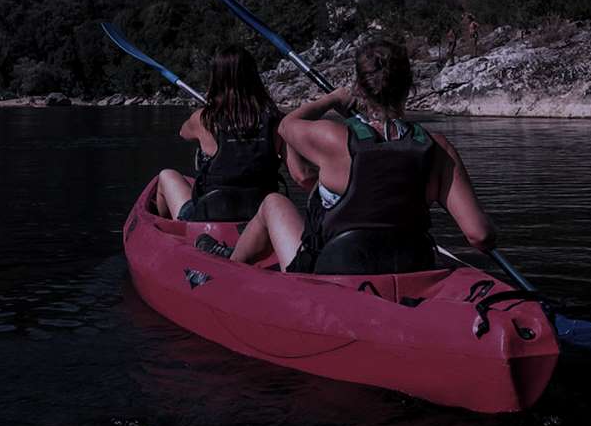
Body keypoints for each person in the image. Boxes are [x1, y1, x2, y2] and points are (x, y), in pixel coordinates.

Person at [209, 40, 495, 274]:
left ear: (359, 87)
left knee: (273, 203)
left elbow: (285, 126)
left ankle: (232, 269)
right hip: (411, 264)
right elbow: (480, 236)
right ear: (410, 86)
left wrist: (331, 99)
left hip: (335, 267)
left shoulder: (333, 139)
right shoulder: (438, 148)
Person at [156, 47, 287, 222]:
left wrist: (209, 108)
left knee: (166, 175)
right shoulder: (277, 120)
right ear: (254, 77)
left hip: (210, 215)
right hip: (261, 215)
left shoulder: (203, 119)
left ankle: (170, 230)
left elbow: (183, 133)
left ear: (216, 79)